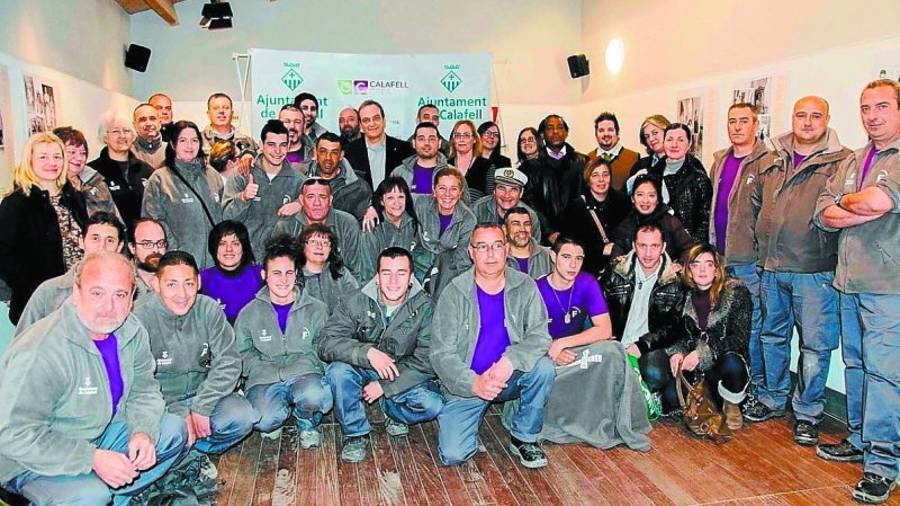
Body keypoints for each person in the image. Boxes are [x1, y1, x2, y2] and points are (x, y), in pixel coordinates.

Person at [0, 252, 186, 505]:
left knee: (171, 430)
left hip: (97, 432)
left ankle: (114, 497)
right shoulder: (41, 350)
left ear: (132, 298)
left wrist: (142, 431)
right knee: (90, 496)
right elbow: (13, 435)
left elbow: (144, 390)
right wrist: (91, 458)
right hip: (29, 459)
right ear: (76, 293)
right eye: (97, 293)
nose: (109, 307)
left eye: (120, 295)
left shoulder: (131, 330)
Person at [744, 96, 851, 449]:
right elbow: (758, 205)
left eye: (815, 116)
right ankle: (773, 398)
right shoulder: (773, 159)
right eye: (800, 115)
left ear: (827, 119)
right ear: (792, 118)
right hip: (772, 268)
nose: (807, 122)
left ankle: (807, 414)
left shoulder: (842, 161)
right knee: (771, 337)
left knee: (815, 347)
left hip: (814, 271)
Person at [814, 79, 900, 505]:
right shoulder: (853, 158)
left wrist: (851, 204)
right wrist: (855, 203)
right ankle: (861, 438)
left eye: (882, 106)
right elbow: (823, 213)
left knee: (885, 376)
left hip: (888, 289)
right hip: (847, 282)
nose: (872, 115)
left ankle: (883, 465)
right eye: (865, 107)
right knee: (855, 365)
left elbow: (878, 204)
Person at [431, 223, 555, 468]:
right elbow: (440, 353)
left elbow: (540, 336)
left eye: (497, 246)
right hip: (469, 383)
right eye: (482, 247)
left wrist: (510, 361)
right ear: (471, 252)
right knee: (453, 454)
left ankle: (523, 436)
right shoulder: (453, 292)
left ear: (507, 249)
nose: (490, 254)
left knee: (544, 367)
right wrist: (473, 383)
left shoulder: (525, 285)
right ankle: (465, 412)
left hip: (509, 376)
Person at [134, 251, 259, 481]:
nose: (182, 294)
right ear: (155, 284)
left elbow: (229, 361)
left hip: (204, 393)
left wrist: (202, 405)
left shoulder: (208, 309)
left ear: (199, 282)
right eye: (171, 284)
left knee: (245, 417)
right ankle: (185, 455)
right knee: (174, 431)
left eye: (189, 283)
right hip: (163, 403)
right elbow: (139, 381)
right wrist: (180, 412)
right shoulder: (140, 316)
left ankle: (194, 450)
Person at [320, 247, 442, 462]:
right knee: (337, 373)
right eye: (386, 273)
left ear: (412, 278)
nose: (393, 281)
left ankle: (392, 410)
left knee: (432, 404)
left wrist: (386, 387)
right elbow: (326, 342)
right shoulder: (354, 300)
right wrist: (366, 352)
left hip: (399, 371)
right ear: (377, 277)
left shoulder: (425, 307)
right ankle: (355, 434)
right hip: (360, 366)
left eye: (401, 273)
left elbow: (426, 360)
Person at [534, 237, 650, 450]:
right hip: (545, 353)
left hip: (574, 348)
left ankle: (618, 418)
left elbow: (605, 330)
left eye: (578, 259)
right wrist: (552, 347)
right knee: (541, 369)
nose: (573, 265)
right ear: (553, 256)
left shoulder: (586, 282)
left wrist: (563, 343)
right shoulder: (536, 288)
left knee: (614, 350)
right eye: (566, 257)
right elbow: (527, 337)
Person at [640, 244, 751, 430]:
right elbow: (676, 331)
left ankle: (731, 404)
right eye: (696, 264)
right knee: (671, 399)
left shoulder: (736, 293)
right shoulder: (683, 294)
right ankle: (704, 397)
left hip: (721, 363)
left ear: (717, 269)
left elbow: (739, 339)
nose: (702, 270)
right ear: (689, 270)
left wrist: (702, 353)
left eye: (708, 264)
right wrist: (677, 352)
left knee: (733, 364)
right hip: (694, 366)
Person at [235, 236, 332, 449]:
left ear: (296, 274)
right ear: (264, 275)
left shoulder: (316, 309)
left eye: (289, 273)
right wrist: (260, 369)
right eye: (276, 273)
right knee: (264, 420)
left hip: (304, 372)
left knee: (316, 395)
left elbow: (324, 345)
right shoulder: (249, 313)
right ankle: (277, 414)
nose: (283, 279)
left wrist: (312, 367)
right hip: (265, 376)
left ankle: (306, 422)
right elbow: (242, 352)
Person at [708, 102, 769, 410]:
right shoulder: (720, 161)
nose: (737, 127)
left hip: (748, 262)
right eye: (732, 121)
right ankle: (727, 386)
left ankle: (755, 389)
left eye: (744, 121)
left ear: (755, 125)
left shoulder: (766, 162)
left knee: (752, 327)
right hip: (720, 259)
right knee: (722, 326)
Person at [0, 132, 88, 324]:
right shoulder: (15, 204)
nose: (52, 162)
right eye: (43, 157)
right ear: (29, 160)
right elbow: (5, 256)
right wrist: (30, 287)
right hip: (38, 302)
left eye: (57, 156)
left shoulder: (75, 198)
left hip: (77, 297)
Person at [15, 212, 126, 336]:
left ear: (119, 247)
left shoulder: (131, 292)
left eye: (110, 241)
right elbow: (22, 344)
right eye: (95, 238)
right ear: (81, 242)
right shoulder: (49, 292)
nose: (102, 247)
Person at [602, 223, 687, 384]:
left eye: (654, 246)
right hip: (615, 342)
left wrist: (642, 346)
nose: (648, 253)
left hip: (651, 346)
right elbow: (600, 311)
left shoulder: (675, 281)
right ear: (634, 245)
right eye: (642, 245)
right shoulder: (616, 272)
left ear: (663, 247)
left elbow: (673, 327)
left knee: (654, 374)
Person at [142, 120, 225, 270]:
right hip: (178, 263)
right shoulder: (160, 179)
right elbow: (152, 222)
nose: (189, 146)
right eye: (183, 140)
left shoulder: (212, 175)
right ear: (173, 145)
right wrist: (175, 250)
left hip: (215, 265)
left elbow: (225, 214)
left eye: (194, 140)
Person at [223, 119, 305, 259]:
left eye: (283, 145)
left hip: (281, 263)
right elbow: (225, 218)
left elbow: (313, 218)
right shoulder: (242, 174)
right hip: (245, 261)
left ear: (289, 146)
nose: (278, 151)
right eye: (271, 145)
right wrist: (243, 198)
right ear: (261, 145)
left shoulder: (298, 181)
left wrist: (300, 205)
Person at [272, 178, 363, 280]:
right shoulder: (286, 227)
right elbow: (277, 271)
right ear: (301, 200)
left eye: (322, 197)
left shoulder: (347, 224)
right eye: (310, 197)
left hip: (338, 288)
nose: (317, 203)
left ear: (330, 200)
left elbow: (356, 271)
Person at [558, 158, 629, 276]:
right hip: (587, 270)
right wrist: (601, 249)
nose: (601, 180)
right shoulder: (575, 207)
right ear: (588, 179)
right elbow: (569, 244)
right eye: (595, 175)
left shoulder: (624, 202)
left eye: (605, 175)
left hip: (619, 270)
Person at [412, 167, 476, 298]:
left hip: (447, 270)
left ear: (460, 192)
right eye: (442, 188)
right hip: (418, 265)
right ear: (434, 190)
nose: (448, 194)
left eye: (453, 189)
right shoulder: (420, 204)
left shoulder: (468, 219)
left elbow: (462, 258)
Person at [88, 111, 154, 229]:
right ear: (105, 137)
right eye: (115, 131)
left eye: (126, 131)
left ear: (133, 136)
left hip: (142, 241)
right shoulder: (93, 173)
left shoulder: (146, 170)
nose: (122, 136)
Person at [647, 123, 712, 242]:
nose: (674, 145)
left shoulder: (699, 178)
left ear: (689, 144)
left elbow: (706, 220)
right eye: (669, 140)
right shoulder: (652, 174)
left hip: (688, 246)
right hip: (655, 245)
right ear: (664, 142)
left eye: (680, 140)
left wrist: (691, 248)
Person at [610, 174, 696, 261]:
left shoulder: (670, 222)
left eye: (651, 195)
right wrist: (618, 262)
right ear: (632, 198)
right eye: (640, 194)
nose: (645, 200)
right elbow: (616, 254)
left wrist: (679, 265)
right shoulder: (625, 226)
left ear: (658, 199)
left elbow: (689, 249)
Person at [200, 220, 263, 325]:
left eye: (235, 243)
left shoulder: (260, 275)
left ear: (244, 248)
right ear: (214, 248)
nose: (229, 249)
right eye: (222, 243)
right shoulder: (202, 279)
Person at [53, 126, 122, 221]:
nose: (79, 158)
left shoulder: (95, 181)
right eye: (72, 152)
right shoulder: (52, 188)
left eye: (83, 153)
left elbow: (116, 218)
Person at [344, 100, 415, 191]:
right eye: (366, 120)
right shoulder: (350, 151)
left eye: (376, 118)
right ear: (361, 125)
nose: (372, 124)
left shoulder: (405, 149)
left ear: (384, 121)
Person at [538, 114, 588, 236]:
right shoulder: (532, 167)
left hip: (579, 233)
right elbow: (531, 205)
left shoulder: (583, 162)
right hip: (545, 237)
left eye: (560, 127)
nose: (555, 131)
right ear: (542, 134)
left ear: (566, 132)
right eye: (550, 128)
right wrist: (548, 231)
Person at [361, 177, 419, 280]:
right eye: (390, 198)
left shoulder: (414, 223)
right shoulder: (372, 227)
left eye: (401, 197)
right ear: (382, 201)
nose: (397, 203)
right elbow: (368, 271)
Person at [306, 132, 372, 221]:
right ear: (315, 153)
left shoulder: (359, 188)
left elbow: (361, 229)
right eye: (323, 151)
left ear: (341, 155)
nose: (328, 158)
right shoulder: (301, 179)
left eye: (334, 152)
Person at [298, 223, 359, 313]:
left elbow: (357, 302)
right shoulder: (293, 276)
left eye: (325, 243)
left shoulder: (341, 273)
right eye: (313, 242)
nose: (319, 247)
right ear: (303, 247)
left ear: (331, 249)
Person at [471, 167, 542, 242]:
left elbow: (534, 248)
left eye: (513, 189)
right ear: (494, 190)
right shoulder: (477, 209)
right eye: (502, 188)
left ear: (521, 193)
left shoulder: (530, 216)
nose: (507, 195)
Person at [392, 122, 453, 195]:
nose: (427, 143)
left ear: (439, 143)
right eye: (421, 139)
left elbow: (463, 204)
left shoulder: (452, 173)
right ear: (414, 143)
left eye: (432, 139)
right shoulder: (399, 173)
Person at [201, 93, 257, 173]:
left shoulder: (248, 142)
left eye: (226, 108)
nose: (221, 111)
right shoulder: (198, 141)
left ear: (232, 113)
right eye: (216, 108)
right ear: (208, 114)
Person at [587, 112, 640, 192]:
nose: (606, 134)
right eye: (601, 130)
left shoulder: (634, 158)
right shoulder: (588, 159)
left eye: (610, 130)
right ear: (596, 135)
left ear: (617, 133)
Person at [504, 206, 553, 279]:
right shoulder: (497, 257)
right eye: (516, 224)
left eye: (527, 224)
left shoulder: (549, 256)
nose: (522, 229)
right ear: (505, 229)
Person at [448, 119, 492, 199]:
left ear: (474, 139)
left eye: (466, 135)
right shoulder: (445, 166)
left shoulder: (487, 166)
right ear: (453, 140)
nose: (461, 139)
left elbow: (491, 199)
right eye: (457, 135)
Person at [128, 217, 168, 299]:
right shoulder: (123, 279)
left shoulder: (174, 277)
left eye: (160, 243)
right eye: (147, 244)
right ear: (132, 248)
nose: (156, 250)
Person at [477, 121, 512, 192]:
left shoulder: (504, 162)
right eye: (488, 133)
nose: (491, 137)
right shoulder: (471, 160)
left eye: (496, 135)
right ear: (479, 136)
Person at [131, 103, 167, 169]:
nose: (148, 124)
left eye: (152, 118)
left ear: (160, 123)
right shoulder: (127, 152)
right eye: (142, 120)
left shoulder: (173, 150)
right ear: (135, 125)